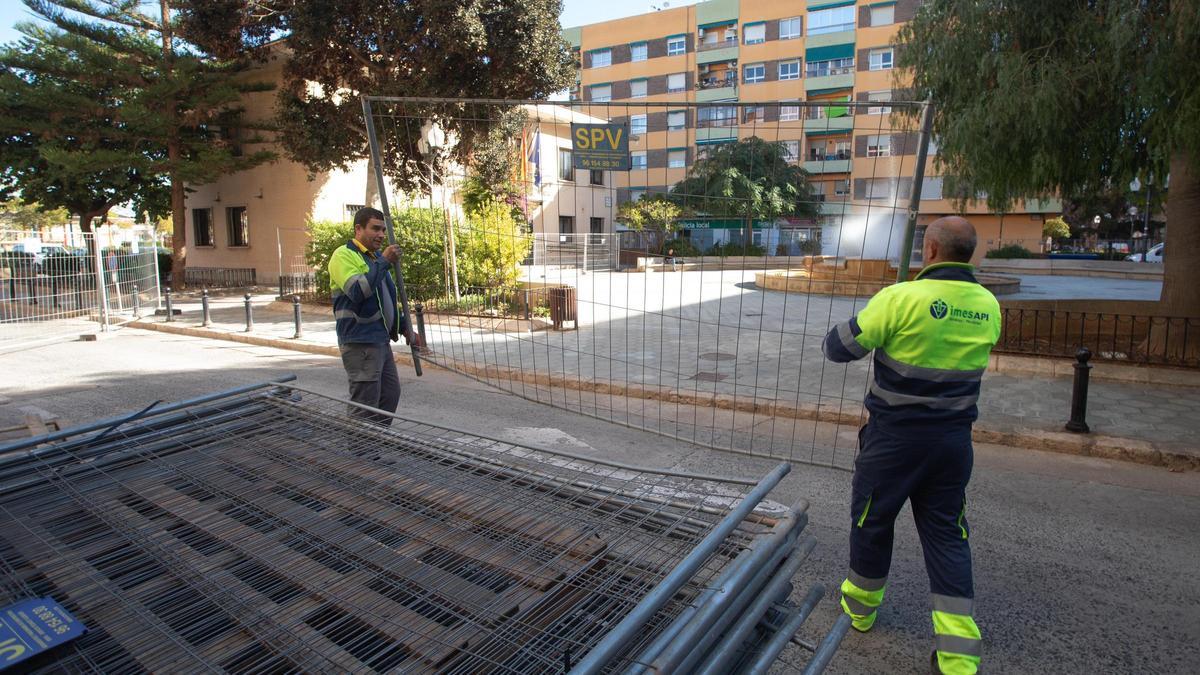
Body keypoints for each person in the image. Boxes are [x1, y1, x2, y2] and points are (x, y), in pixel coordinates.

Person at [821, 217, 1001, 675]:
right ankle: (959, 655)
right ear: (969, 254)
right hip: (953, 443)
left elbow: (839, 348)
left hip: (894, 441)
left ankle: (860, 611)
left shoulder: (900, 298)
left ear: (932, 250)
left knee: (872, 522)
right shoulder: (988, 305)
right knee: (947, 534)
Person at [329, 207, 423, 425]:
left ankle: (375, 447)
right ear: (358, 229)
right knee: (366, 403)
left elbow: (385, 299)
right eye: (375, 229)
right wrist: (384, 263)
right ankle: (362, 455)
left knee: (389, 396)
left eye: (383, 230)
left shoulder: (375, 258)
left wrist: (403, 327)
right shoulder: (344, 255)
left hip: (379, 340)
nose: (381, 235)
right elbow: (358, 291)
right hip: (360, 341)